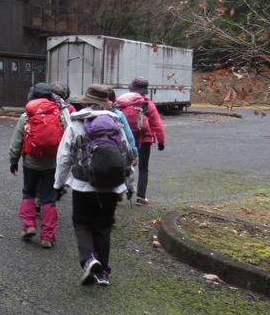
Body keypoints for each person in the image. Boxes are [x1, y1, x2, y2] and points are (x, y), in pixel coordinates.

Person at [54, 84, 134, 286]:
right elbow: (126, 154)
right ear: (105, 103)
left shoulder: (77, 123)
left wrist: (58, 184)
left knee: (81, 222)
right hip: (112, 186)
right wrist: (129, 183)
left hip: (83, 184)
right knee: (103, 228)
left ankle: (89, 259)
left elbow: (64, 157)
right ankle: (103, 273)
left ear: (86, 101)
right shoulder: (116, 124)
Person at [9, 82, 60, 248]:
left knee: (28, 192)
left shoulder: (26, 116)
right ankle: (47, 236)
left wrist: (13, 161)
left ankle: (29, 225)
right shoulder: (57, 114)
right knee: (49, 198)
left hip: (30, 162)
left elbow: (17, 142)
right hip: (51, 163)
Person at [115, 77, 165, 205]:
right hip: (144, 139)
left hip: (124, 139)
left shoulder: (121, 102)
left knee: (121, 165)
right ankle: (141, 197)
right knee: (143, 168)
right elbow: (157, 124)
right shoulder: (148, 104)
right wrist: (161, 141)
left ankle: (118, 193)